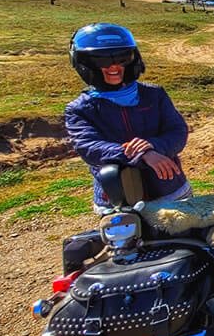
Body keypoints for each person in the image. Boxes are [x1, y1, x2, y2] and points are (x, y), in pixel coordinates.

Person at [65, 23, 192, 212]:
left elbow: (177, 131)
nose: (114, 66)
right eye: (101, 61)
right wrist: (142, 154)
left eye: (122, 58)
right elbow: (89, 147)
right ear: (85, 64)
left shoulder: (154, 94)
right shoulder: (79, 109)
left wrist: (154, 145)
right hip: (116, 199)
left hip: (170, 190)